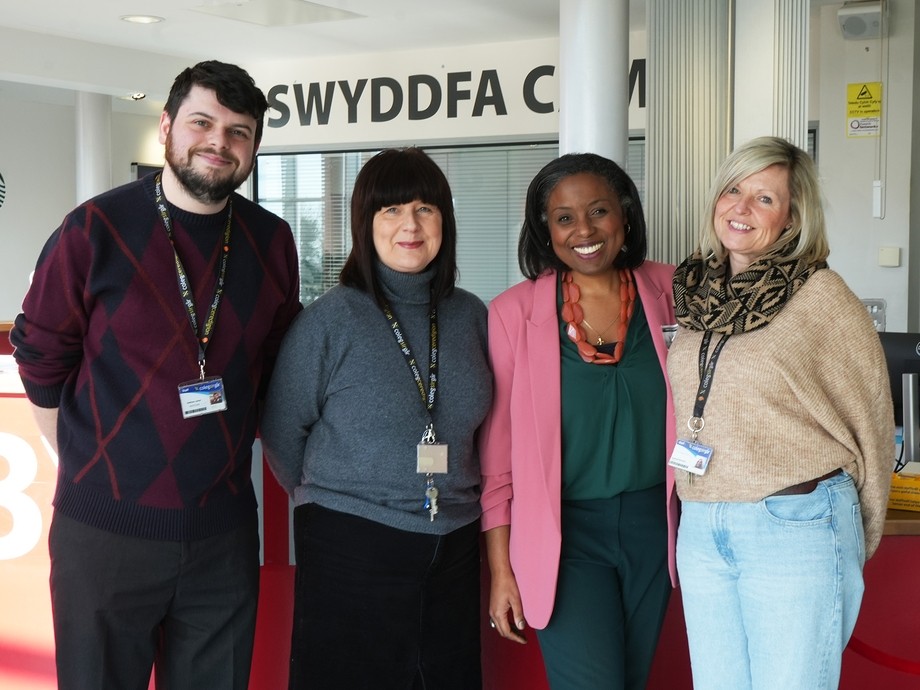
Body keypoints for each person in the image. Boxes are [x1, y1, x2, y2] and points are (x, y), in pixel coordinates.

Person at [9, 60, 302, 689]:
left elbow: (278, 362)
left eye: (239, 132)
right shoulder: (95, 229)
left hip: (222, 536)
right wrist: (87, 461)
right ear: (167, 126)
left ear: (253, 147)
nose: (218, 143)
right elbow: (38, 356)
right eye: (202, 122)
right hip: (104, 535)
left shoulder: (271, 241)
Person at [260, 147, 492, 689]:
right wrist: (340, 496)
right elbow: (281, 432)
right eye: (390, 211)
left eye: (425, 209)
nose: (409, 225)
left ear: (445, 221)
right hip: (351, 543)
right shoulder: (329, 321)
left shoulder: (471, 316)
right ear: (364, 224)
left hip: (454, 542)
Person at [667, 136, 894, 690]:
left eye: (764, 199)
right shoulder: (696, 294)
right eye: (733, 190)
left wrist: (852, 535)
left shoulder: (821, 296)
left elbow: (873, 423)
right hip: (702, 522)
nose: (741, 208)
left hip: (792, 522)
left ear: (793, 218)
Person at [479, 152, 678, 689]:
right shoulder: (512, 313)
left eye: (599, 212)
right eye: (564, 218)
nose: (584, 231)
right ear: (545, 230)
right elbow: (497, 461)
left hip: (655, 526)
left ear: (626, 216)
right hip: (564, 535)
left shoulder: (673, 291)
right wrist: (502, 571)